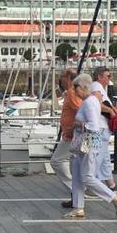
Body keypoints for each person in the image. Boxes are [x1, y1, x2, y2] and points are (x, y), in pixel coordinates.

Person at [65, 73, 117, 219]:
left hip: (90, 141)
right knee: (77, 175)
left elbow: (93, 126)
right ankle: (78, 207)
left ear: (83, 87)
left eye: (75, 88)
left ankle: (116, 198)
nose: (73, 91)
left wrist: (77, 124)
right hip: (88, 141)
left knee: (86, 176)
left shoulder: (89, 102)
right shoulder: (90, 101)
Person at [89, 67, 117, 194]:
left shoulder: (101, 89)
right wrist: (111, 111)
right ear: (99, 77)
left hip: (102, 127)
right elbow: (96, 103)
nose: (109, 78)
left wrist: (113, 109)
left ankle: (110, 184)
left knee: (104, 157)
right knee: (97, 157)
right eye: (108, 76)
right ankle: (91, 186)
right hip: (99, 128)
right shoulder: (96, 87)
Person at [50, 68, 81, 208]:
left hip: (71, 135)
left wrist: (72, 127)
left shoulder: (71, 93)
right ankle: (75, 197)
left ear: (68, 78)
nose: (60, 79)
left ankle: (76, 191)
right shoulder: (73, 92)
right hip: (73, 134)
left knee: (56, 161)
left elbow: (80, 110)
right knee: (74, 166)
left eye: (62, 76)